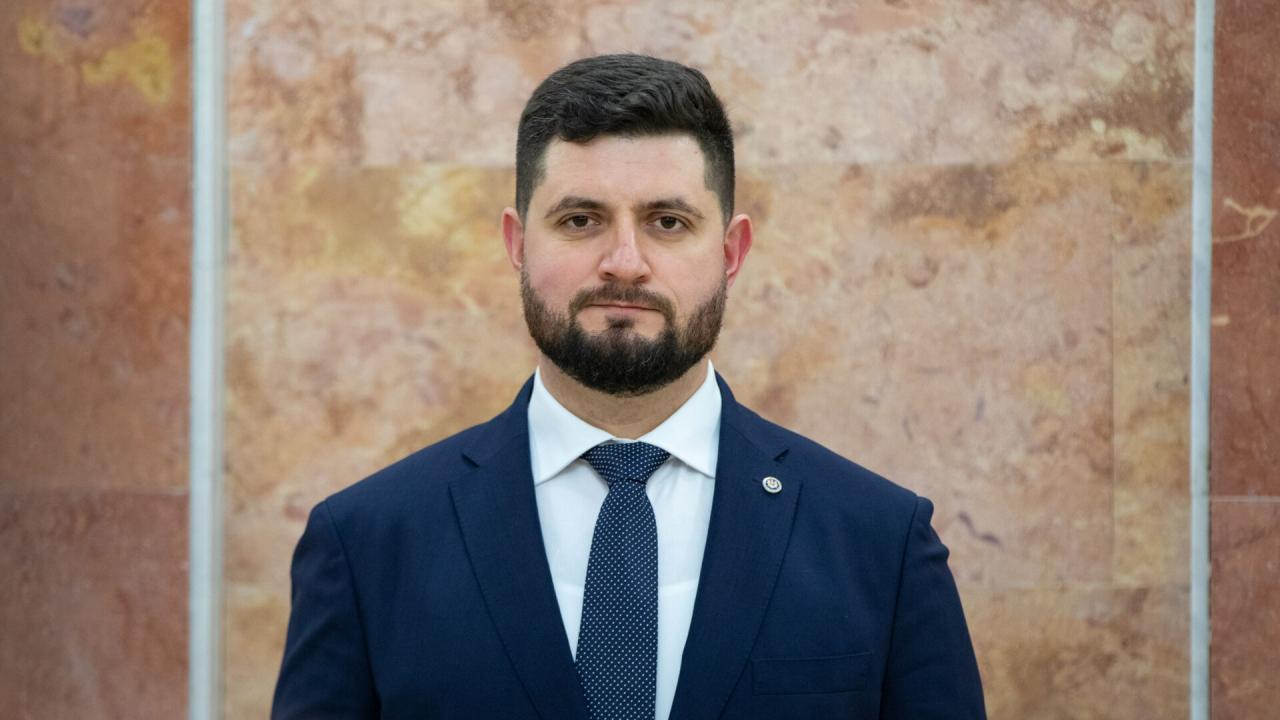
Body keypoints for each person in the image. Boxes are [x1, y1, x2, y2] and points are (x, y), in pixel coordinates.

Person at [272, 53, 986, 720]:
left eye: (667, 222)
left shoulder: (881, 542)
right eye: (580, 220)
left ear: (731, 251)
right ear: (518, 244)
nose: (624, 262)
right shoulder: (365, 544)